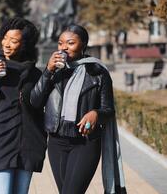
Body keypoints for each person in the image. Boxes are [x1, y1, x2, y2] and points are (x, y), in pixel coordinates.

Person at [31, 24, 127, 194]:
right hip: (56, 142)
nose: (63, 48)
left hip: (85, 143)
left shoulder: (98, 72)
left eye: (70, 43)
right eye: (60, 43)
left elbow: (108, 109)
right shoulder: (54, 72)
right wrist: (48, 71)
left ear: (83, 44)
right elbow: (35, 101)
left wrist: (96, 113)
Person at [0, 17, 47, 194]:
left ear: (24, 44)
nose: (7, 44)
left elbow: (40, 108)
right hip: (1, 142)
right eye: (5, 38)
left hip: (29, 143)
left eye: (14, 41)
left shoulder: (35, 73)